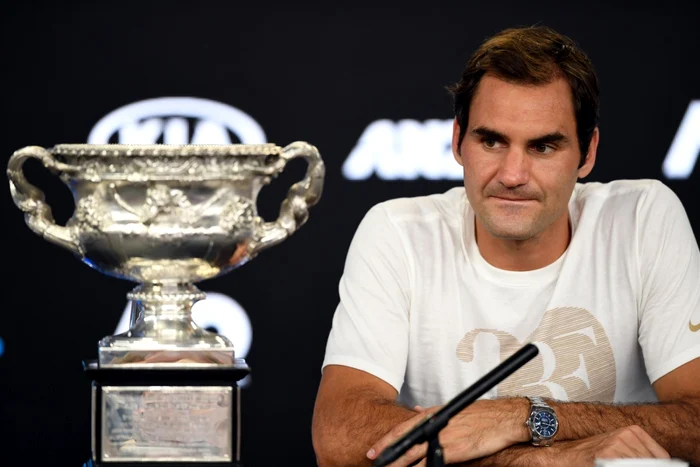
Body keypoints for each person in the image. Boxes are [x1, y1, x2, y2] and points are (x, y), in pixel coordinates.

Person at [311, 25, 700, 466]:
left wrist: (519, 417)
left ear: (587, 153)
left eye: (543, 146)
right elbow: (340, 437)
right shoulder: (398, 232)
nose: (512, 174)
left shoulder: (642, 219)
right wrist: (543, 460)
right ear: (458, 140)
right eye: (491, 140)